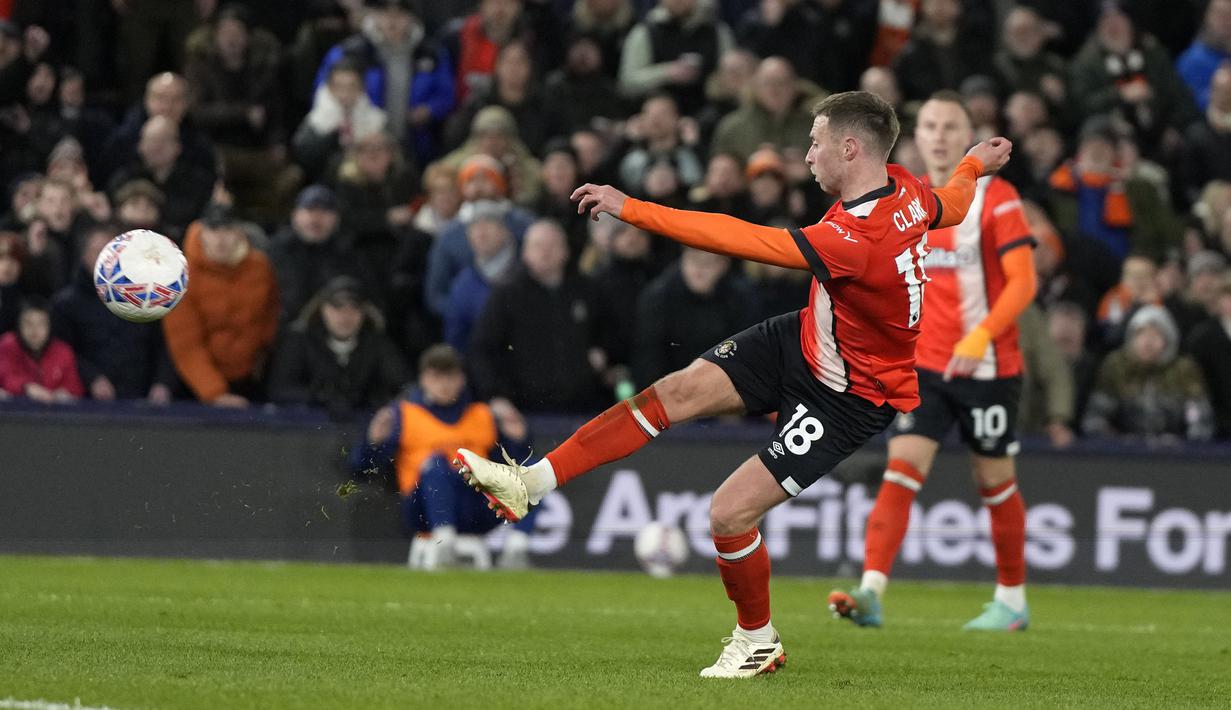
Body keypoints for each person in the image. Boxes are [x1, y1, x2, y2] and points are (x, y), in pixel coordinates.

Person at [455, 91, 1011, 677]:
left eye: (817, 141)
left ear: (851, 148)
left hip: (850, 394)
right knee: (673, 391)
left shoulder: (857, 238)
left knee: (727, 514)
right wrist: (974, 162)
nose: (809, 154)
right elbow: (953, 202)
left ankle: (757, 640)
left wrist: (633, 207)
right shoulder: (907, 190)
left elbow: (732, 237)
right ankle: (530, 483)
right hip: (805, 339)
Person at [826, 92, 1038, 632]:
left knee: (995, 481)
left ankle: (1012, 601)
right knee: (901, 471)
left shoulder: (999, 199)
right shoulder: (906, 199)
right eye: (932, 126)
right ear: (917, 137)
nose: (941, 135)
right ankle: (871, 591)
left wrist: (981, 336)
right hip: (922, 369)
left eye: (952, 126)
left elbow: (1024, 283)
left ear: (968, 135)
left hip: (988, 366)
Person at [355, 343, 537, 569]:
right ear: (423, 379)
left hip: (474, 505)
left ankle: (516, 551)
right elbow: (361, 469)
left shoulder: (482, 414)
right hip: (421, 507)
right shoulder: (403, 414)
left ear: (461, 379)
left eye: (450, 377)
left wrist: (518, 440)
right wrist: (372, 444)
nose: (444, 385)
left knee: (533, 472)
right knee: (437, 464)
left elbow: (512, 466)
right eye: (436, 377)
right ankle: (444, 543)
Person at [162, 204, 279, 407]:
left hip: (251, 379)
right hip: (196, 386)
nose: (220, 238)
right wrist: (214, 393)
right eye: (213, 230)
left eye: (227, 230)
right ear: (202, 233)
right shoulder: (181, 278)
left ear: (239, 232)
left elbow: (270, 317)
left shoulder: (260, 268)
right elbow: (186, 345)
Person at [50, 223, 175, 403]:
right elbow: (61, 352)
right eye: (99, 252)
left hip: (142, 402)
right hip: (86, 405)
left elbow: (164, 346)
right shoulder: (66, 304)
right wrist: (91, 377)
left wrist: (162, 383)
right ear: (84, 256)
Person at [267, 276, 407, 420]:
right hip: (309, 428)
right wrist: (320, 397)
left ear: (364, 312)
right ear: (323, 308)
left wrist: (368, 398)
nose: (345, 316)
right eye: (337, 307)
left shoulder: (377, 343)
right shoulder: (299, 340)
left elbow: (401, 386)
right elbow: (279, 389)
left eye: (354, 308)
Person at [1083, 305, 1214, 443]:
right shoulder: (1116, 366)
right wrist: (1115, 442)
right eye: (1141, 334)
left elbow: (1200, 418)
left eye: (1155, 334)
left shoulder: (1184, 370)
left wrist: (1185, 446)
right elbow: (1096, 417)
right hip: (1125, 453)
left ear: (1168, 339)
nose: (1148, 342)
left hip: (1174, 453)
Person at [0, 296, 83, 403]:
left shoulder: (63, 352)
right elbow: (5, 376)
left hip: (52, 416)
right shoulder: (6, 346)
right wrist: (26, 387)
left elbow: (75, 388)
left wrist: (65, 394)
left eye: (41, 324)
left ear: (50, 326)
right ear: (18, 326)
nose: (34, 332)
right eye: (28, 324)